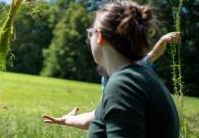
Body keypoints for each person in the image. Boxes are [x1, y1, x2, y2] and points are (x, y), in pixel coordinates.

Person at [48, 0, 180, 138]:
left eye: (90, 32)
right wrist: (67, 120)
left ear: (99, 37)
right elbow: (98, 116)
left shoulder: (124, 85)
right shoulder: (139, 78)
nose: (89, 38)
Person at [42, 31, 181, 130]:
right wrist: (67, 119)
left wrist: (163, 40)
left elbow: (154, 54)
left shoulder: (129, 73)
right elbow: (98, 116)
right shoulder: (108, 79)